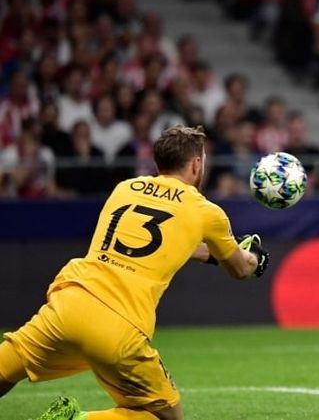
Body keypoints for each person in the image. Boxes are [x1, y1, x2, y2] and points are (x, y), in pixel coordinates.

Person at [0, 125, 270, 420]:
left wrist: (217, 254)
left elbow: (166, 239)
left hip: (69, 302)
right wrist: (254, 258)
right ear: (196, 164)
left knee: (4, 370)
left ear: (158, 163)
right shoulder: (207, 211)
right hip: (119, 323)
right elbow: (240, 269)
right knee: (166, 415)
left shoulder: (125, 188)